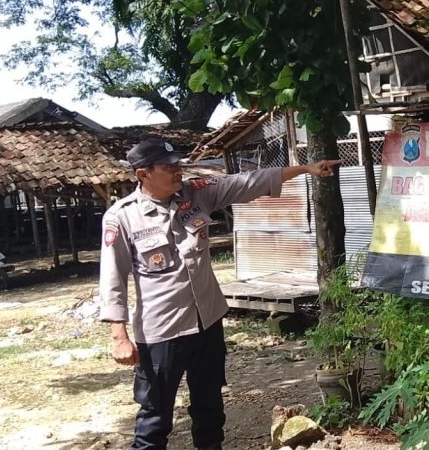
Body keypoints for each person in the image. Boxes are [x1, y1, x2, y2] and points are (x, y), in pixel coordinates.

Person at [98, 138, 341, 450]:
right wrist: (119, 336)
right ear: (144, 173)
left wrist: (305, 169)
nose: (177, 171)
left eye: (178, 164)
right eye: (168, 166)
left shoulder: (196, 193)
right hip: (161, 332)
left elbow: (247, 183)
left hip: (207, 322)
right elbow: (112, 278)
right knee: (155, 418)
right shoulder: (121, 217)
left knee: (209, 409)